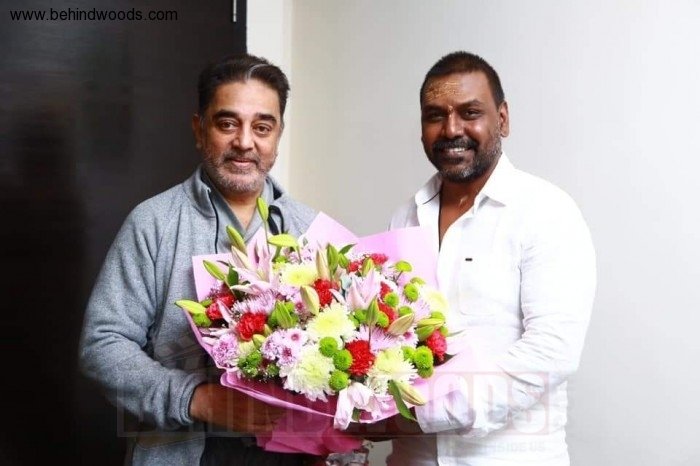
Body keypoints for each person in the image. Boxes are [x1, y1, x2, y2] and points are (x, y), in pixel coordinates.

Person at [356, 51, 596, 465]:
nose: (451, 129)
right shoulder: (405, 217)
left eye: (470, 113)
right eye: (435, 116)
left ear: (502, 119)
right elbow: (386, 339)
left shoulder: (546, 210)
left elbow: (550, 353)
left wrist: (423, 414)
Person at [79, 54, 318, 466]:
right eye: (227, 124)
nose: (245, 142)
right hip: (181, 450)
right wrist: (197, 399)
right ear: (199, 129)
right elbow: (103, 345)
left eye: (262, 127)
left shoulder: (311, 230)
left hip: (287, 454)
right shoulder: (152, 223)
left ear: (278, 135)